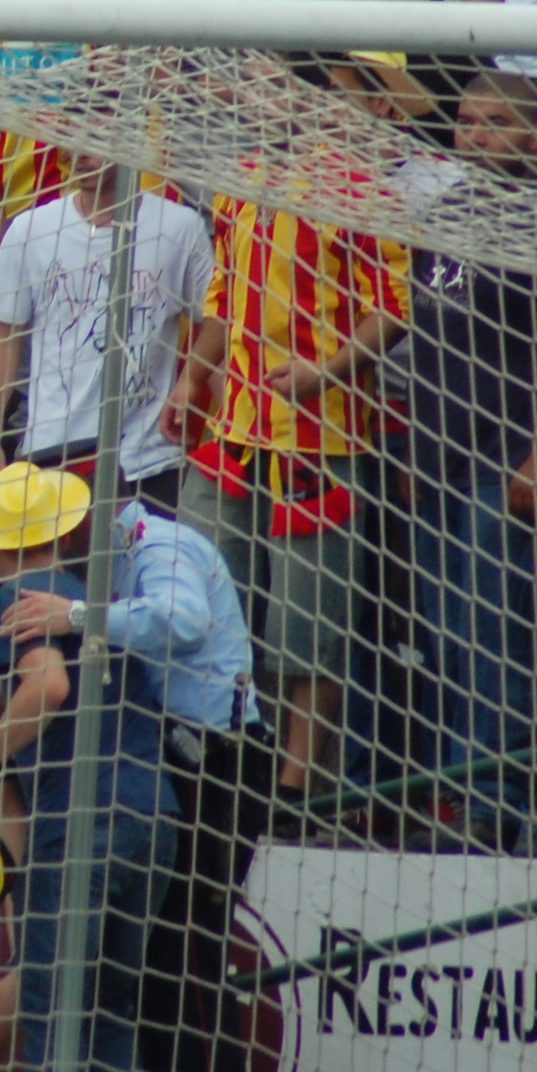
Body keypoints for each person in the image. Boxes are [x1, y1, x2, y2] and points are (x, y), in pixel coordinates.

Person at [0, 463, 171, 1072]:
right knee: (114, 1002)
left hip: (84, 816)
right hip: (152, 813)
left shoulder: (17, 597)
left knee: (50, 992)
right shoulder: (86, 596)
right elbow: (1, 681)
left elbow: (45, 684)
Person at [177, 136, 409, 809]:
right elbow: (224, 294)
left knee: (310, 625)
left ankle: (295, 787)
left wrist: (326, 373)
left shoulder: (359, 184)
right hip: (231, 434)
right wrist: (192, 378)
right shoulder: (238, 176)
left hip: (321, 440)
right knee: (203, 597)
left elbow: (392, 307)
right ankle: (213, 760)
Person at [400, 72, 537, 852]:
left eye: (492, 123)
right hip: (436, 456)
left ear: (530, 132)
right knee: (447, 636)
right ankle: (458, 788)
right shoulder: (446, 211)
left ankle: (496, 798)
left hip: (504, 457)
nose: (473, 136)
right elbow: (425, 333)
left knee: (495, 635)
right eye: (465, 122)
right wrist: (414, 440)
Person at [0, 156, 214, 515]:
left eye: (97, 138)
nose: (82, 154)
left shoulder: (180, 228)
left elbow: (218, 318)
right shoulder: (31, 229)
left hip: (148, 462)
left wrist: (191, 378)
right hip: (50, 459)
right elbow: (3, 335)